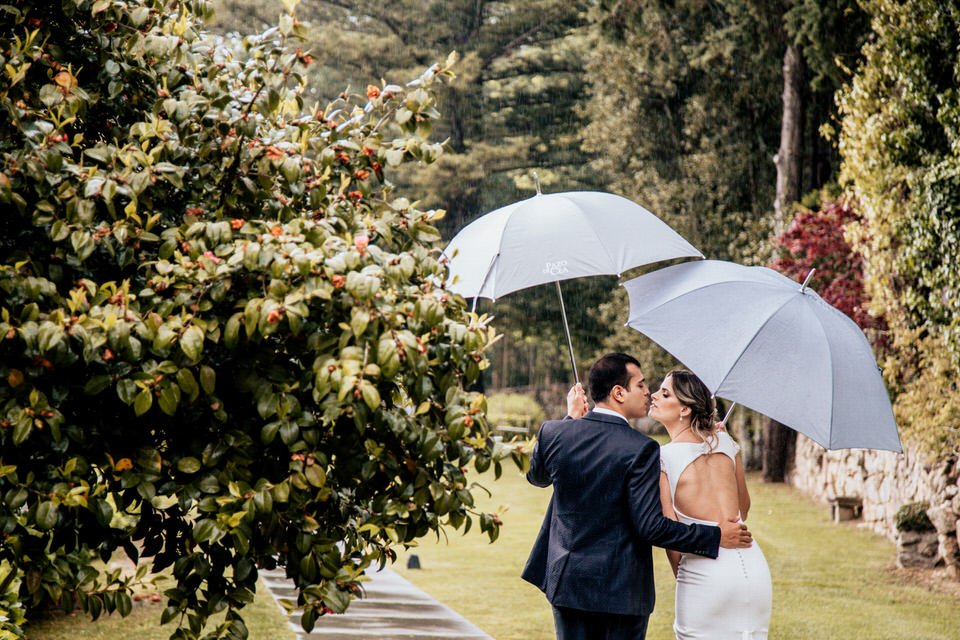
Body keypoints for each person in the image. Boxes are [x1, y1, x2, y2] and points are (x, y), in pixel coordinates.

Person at [522, 353, 752, 639]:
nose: (648, 392)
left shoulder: (555, 433)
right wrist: (716, 536)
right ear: (619, 392)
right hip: (623, 592)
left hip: (569, 584)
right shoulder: (641, 449)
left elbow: (537, 477)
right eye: (641, 385)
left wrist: (570, 419)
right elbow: (651, 527)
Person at [651, 369, 772, 639]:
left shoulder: (662, 457)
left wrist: (683, 578)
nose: (654, 395)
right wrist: (723, 442)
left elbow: (671, 532)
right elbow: (743, 509)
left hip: (705, 570)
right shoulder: (728, 444)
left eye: (665, 393)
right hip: (754, 569)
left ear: (684, 410)